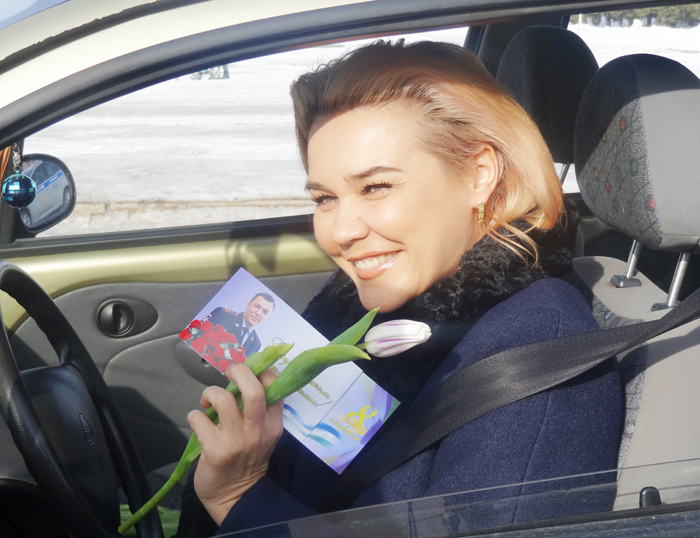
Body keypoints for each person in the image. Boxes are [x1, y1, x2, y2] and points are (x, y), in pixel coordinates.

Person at [174, 40, 623, 537]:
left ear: (479, 173)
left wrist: (239, 495)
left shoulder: (535, 358)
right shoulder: (365, 311)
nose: (341, 231)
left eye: (376, 187)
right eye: (324, 198)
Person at [203, 293, 275, 358]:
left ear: (267, 317)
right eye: (257, 306)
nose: (258, 313)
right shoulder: (222, 315)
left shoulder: (256, 344)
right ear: (248, 304)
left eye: (265, 312)